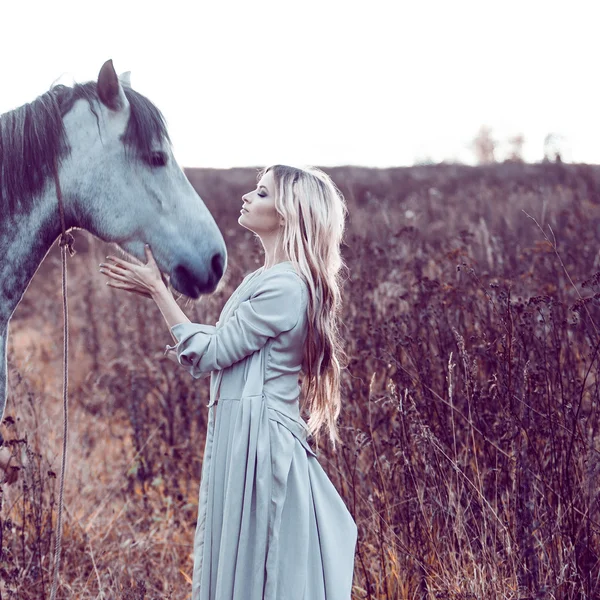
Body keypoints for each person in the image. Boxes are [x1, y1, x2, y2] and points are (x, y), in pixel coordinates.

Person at [98, 164, 358, 600]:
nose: (246, 198)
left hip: (262, 443)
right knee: (246, 561)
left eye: (260, 193)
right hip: (246, 434)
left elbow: (216, 352)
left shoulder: (287, 287)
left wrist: (159, 292)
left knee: (262, 565)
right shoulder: (265, 279)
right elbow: (223, 349)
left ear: (287, 213)